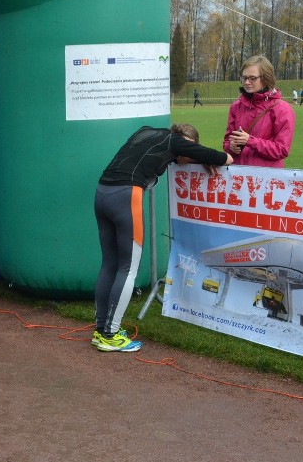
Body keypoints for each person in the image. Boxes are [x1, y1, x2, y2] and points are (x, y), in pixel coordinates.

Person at [94, 124, 232, 352]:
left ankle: (101, 331)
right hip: (126, 196)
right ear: (185, 141)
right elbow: (224, 158)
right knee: (127, 268)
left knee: (109, 264)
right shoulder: (175, 141)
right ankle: (110, 334)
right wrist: (206, 156)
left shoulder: (149, 133)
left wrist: (194, 157)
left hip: (102, 192)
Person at [223, 55, 295, 168]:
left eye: (252, 78)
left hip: (267, 178)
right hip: (238, 176)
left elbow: (282, 150)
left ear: (266, 78)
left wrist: (250, 141)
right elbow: (227, 141)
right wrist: (231, 146)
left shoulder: (282, 109)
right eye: (244, 77)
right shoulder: (236, 106)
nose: (246, 82)